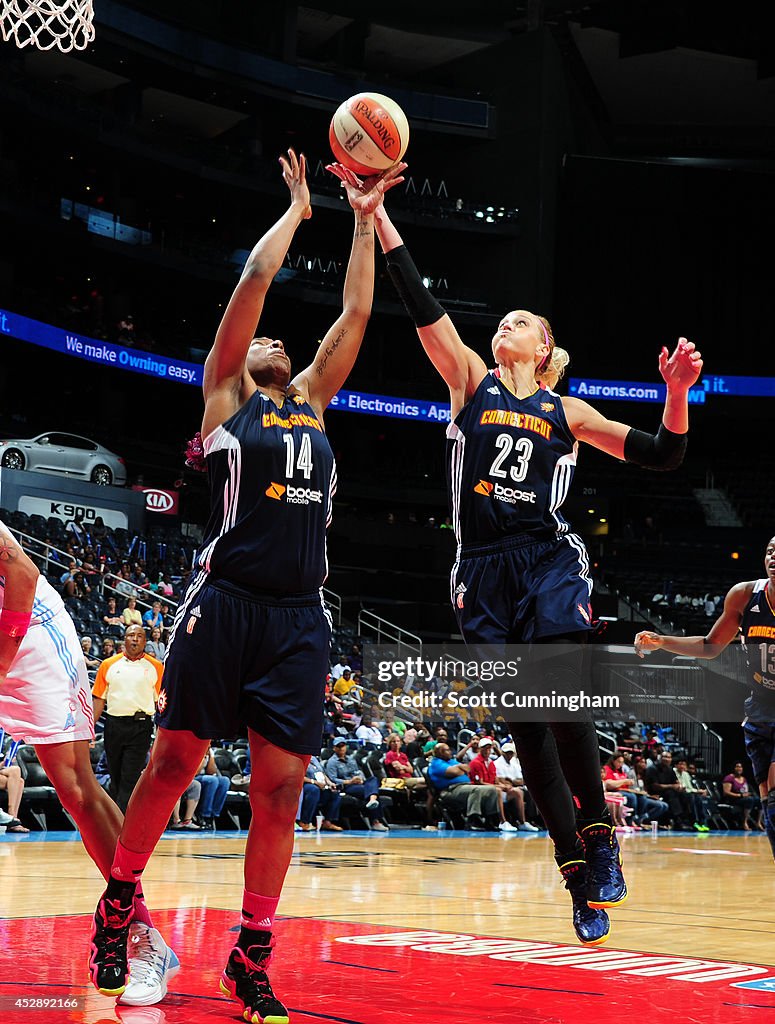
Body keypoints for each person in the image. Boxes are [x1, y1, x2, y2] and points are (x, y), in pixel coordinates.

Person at [345, 171, 702, 947]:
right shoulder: (468, 381)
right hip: (479, 568)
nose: (503, 325)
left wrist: (673, 391)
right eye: (500, 320)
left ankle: (600, 834)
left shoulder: (564, 409)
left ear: (543, 349)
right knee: (527, 729)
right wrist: (377, 218)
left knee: (562, 699)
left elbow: (665, 454)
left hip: (544, 557)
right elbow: (422, 307)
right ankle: (575, 869)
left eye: (519, 321)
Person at [88, 148, 405, 1019]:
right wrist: (299, 208)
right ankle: (118, 906)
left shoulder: (311, 399)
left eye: (278, 343)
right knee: (174, 761)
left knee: (281, 789)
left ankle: (250, 955)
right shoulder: (226, 394)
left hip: (298, 618)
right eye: (263, 338)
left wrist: (361, 214)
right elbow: (252, 288)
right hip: (224, 602)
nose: (271, 339)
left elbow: (356, 310)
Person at [0, 522, 175, 1004]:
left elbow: (22, 569)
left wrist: (3, 659)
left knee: (76, 789)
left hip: (28, 632)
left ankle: (138, 931)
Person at [635, 535, 775, 854]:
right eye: (769, 552)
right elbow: (711, 646)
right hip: (760, 705)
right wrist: (662, 640)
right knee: (768, 802)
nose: (774, 558)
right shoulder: (744, 595)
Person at [91, 626, 163, 812]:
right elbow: (99, 698)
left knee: (129, 777)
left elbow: (162, 704)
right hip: (114, 725)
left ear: (145, 641)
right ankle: (116, 820)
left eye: (140, 636)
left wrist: (163, 733)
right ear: (124, 639)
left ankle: (122, 827)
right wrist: (89, 729)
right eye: (131, 635)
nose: (135, 639)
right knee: (115, 777)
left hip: (141, 727)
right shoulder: (108, 664)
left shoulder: (156, 666)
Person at [468, 736, 518, 832]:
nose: (487, 751)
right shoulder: (475, 762)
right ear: (480, 749)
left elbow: (495, 780)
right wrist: (499, 786)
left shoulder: (491, 762)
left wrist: (503, 785)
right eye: (485, 748)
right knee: (497, 790)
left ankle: (522, 822)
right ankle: (502, 821)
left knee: (517, 791)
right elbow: (480, 782)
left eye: (489, 748)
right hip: (478, 789)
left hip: (491, 788)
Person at [723, 762, 760, 831]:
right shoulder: (729, 778)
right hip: (733, 799)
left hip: (743, 798)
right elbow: (726, 792)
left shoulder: (744, 779)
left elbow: (745, 790)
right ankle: (744, 822)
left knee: (759, 800)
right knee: (749, 800)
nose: (739, 768)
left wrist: (747, 794)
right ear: (733, 768)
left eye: (740, 767)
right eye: (737, 767)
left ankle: (759, 822)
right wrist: (740, 795)